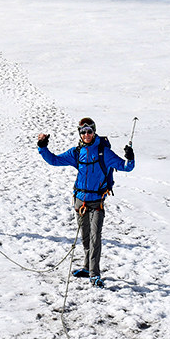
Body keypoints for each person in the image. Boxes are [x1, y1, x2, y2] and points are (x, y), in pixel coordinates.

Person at [37, 117, 134, 287]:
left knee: (95, 238)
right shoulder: (76, 152)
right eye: (83, 132)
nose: (87, 134)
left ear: (94, 132)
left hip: (97, 202)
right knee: (86, 236)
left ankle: (95, 274)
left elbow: (126, 166)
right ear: (80, 134)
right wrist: (42, 147)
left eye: (89, 131)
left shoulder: (104, 153)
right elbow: (54, 160)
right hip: (79, 202)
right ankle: (87, 267)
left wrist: (130, 157)